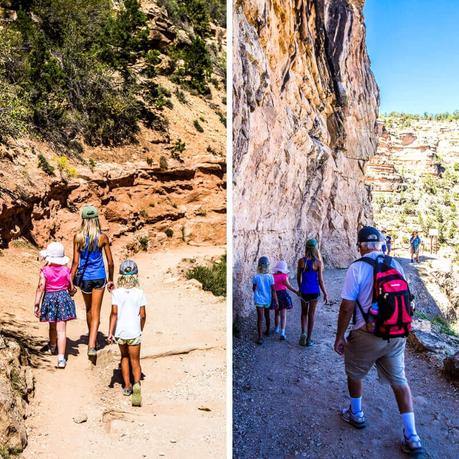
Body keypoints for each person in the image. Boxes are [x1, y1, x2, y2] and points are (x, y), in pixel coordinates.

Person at [334, 226, 424, 457]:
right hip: (395, 334)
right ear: (381, 244)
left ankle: (356, 414)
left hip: (367, 334)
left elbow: (346, 307)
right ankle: (412, 437)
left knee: (354, 373)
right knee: (400, 381)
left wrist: (340, 337)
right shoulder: (396, 265)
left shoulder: (357, 268)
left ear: (360, 245)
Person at [71, 205, 114, 357]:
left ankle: (92, 338)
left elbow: (75, 263)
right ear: (96, 220)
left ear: (83, 220)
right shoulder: (103, 237)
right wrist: (110, 280)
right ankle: (91, 345)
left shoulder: (78, 237)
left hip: (84, 279)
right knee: (96, 312)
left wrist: (70, 281)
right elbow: (110, 262)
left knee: (89, 309)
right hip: (99, 277)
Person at [108, 260, 146, 407]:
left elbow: (114, 314)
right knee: (135, 360)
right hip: (134, 331)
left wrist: (110, 332)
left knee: (124, 357)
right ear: (136, 275)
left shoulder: (116, 293)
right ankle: (137, 384)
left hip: (120, 332)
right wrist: (140, 328)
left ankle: (127, 386)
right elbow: (142, 315)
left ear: (121, 276)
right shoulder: (140, 293)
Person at [34, 242, 77, 368]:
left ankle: (52, 346)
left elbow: (41, 287)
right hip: (63, 298)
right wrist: (71, 291)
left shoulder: (45, 271)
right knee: (62, 330)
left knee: (52, 326)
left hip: (50, 299)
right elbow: (71, 287)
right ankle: (61, 358)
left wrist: (37, 303)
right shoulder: (66, 270)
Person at [297, 239, 328, 347]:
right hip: (314, 291)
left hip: (304, 290)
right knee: (312, 314)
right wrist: (325, 293)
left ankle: (303, 332)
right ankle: (309, 339)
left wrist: (300, 288)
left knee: (304, 313)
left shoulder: (301, 261)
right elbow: (320, 280)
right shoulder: (318, 263)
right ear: (315, 249)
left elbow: (298, 277)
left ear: (306, 248)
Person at [252, 256, 278, 345]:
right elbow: (273, 290)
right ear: (268, 266)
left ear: (259, 266)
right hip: (268, 299)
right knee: (267, 316)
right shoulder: (270, 277)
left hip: (259, 299)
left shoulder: (256, 277)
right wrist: (276, 301)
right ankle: (267, 331)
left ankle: (260, 337)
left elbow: (253, 288)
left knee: (260, 319)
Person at [271, 260, 299, 341]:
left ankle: (276, 328)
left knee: (276, 314)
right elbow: (288, 286)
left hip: (275, 295)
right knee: (283, 315)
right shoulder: (284, 276)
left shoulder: (272, 276)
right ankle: (282, 332)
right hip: (283, 295)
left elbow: (271, 288)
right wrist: (296, 291)